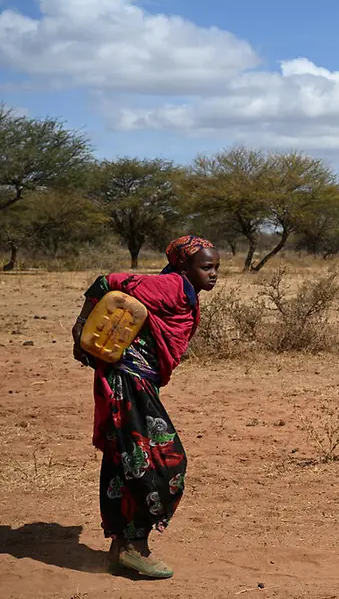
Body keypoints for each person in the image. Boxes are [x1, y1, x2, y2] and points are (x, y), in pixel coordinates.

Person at [71, 236, 219, 578]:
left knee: (122, 463)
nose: (213, 274)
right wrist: (80, 326)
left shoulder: (185, 292)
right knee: (166, 465)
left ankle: (119, 549)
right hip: (128, 381)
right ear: (184, 267)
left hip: (136, 381)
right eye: (206, 267)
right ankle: (135, 546)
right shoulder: (171, 287)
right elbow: (107, 281)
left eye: (216, 267)